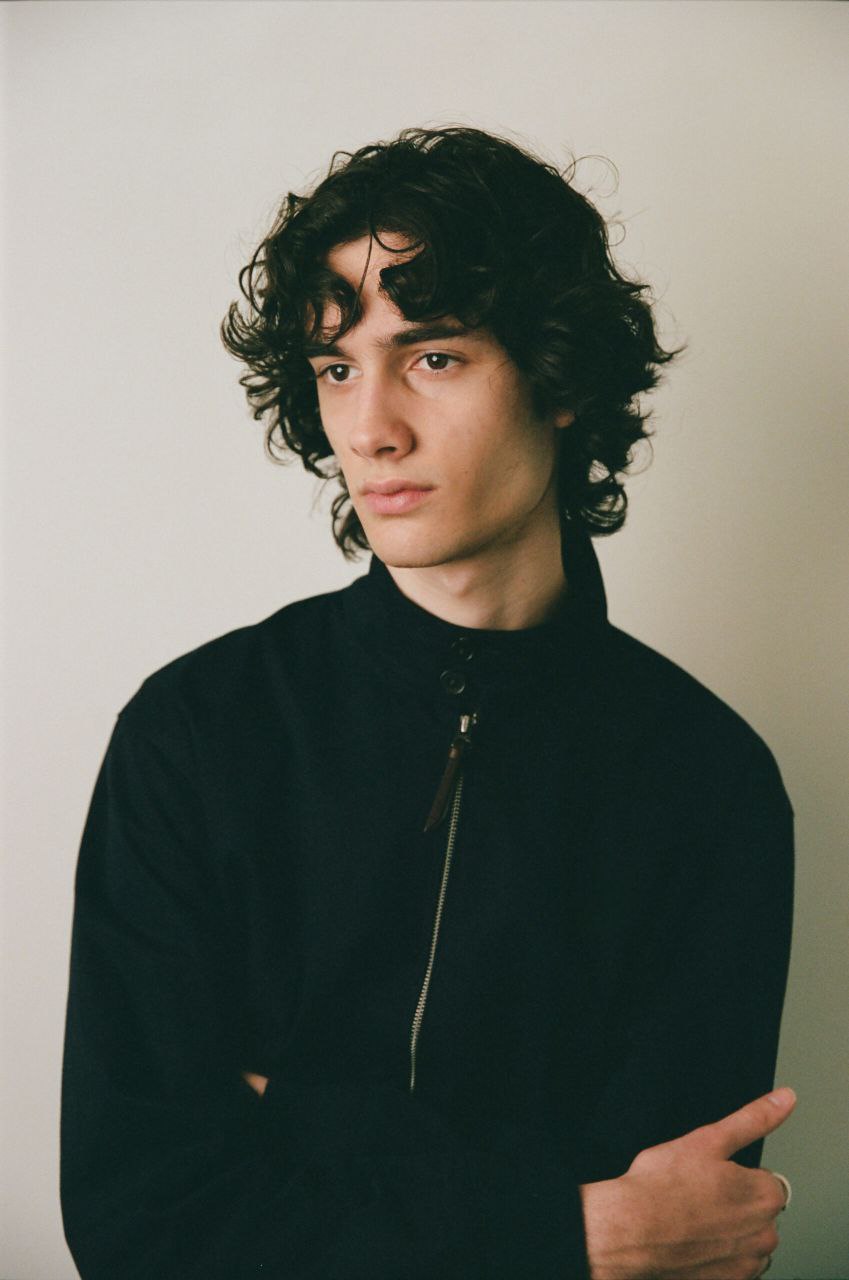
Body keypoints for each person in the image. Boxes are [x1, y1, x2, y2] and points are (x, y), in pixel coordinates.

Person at [61, 126, 795, 1279]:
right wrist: (563, 1227)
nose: (371, 427)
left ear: (560, 377)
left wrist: (296, 1108)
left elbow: (678, 1232)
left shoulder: (708, 777)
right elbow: (141, 1223)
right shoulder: (198, 730)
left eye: (434, 356)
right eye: (337, 367)